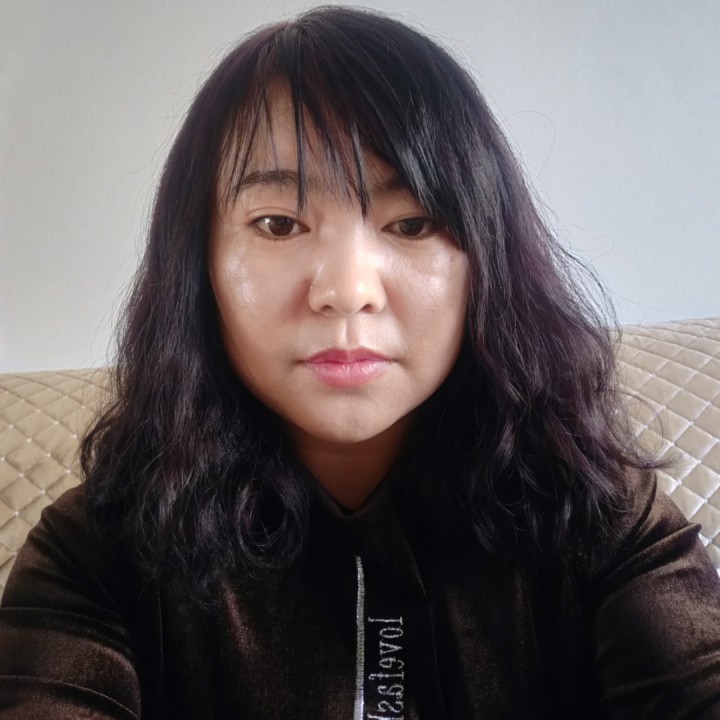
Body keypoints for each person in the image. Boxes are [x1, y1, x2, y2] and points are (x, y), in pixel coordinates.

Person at [1, 6, 719, 719]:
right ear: (199, 263)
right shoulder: (92, 555)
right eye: (278, 224)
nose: (347, 290)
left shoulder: (595, 509)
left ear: (486, 260)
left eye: (412, 223)